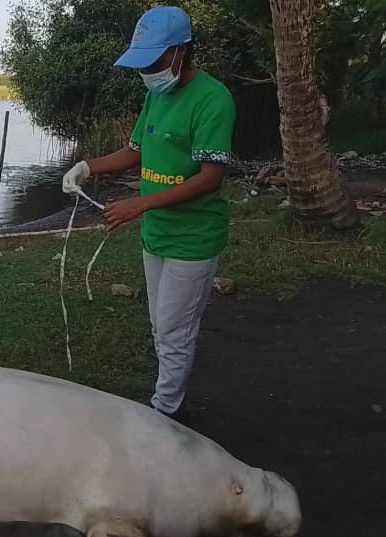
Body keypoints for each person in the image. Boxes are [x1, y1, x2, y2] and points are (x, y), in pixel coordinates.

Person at [61, 6, 236, 423]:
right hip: (156, 234)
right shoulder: (156, 94)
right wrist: (87, 166)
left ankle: (165, 415)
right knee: (162, 325)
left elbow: (211, 177)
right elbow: (135, 152)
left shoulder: (215, 99)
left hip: (192, 238)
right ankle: (169, 399)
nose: (148, 71)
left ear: (180, 52)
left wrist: (138, 204)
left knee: (175, 331)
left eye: (154, 61)